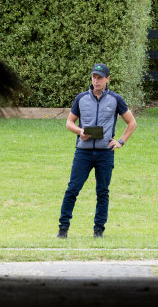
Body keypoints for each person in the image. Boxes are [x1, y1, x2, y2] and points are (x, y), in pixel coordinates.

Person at [57, 63, 136, 239]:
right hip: (83, 153)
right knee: (72, 189)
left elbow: (132, 123)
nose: (96, 80)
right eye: (94, 77)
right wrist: (80, 132)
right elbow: (69, 122)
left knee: (102, 191)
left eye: (100, 77)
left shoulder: (116, 100)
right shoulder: (81, 98)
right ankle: (63, 229)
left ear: (108, 79)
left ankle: (98, 230)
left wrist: (121, 141)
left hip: (105, 153)